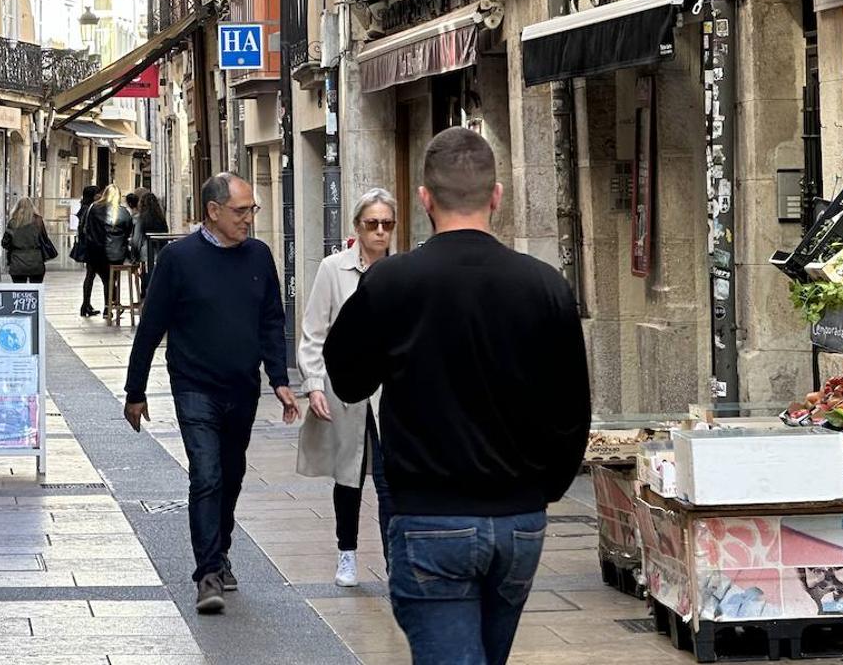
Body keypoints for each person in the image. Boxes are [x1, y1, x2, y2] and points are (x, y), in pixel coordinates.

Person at [323, 128, 591, 665]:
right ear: (495, 196)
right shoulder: (544, 286)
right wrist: (543, 490)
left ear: (424, 200)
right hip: (519, 521)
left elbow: (347, 378)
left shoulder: (392, 281)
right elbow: (572, 411)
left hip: (430, 516)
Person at [123, 173, 299, 615]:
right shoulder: (179, 259)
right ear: (213, 211)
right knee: (206, 474)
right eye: (241, 211)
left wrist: (279, 379)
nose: (249, 219)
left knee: (232, 474)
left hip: (242, 386)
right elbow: (151, 325)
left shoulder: (259, 256)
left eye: (252, 210)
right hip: (193, 385)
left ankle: (220, 549)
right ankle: (207, 574)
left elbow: (271, 321)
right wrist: (135, 390)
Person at [296, 188, 397, 587]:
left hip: (390, 394)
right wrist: (314, 384)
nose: (379, 232)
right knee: (348, 474)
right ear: (357, 226)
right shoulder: (333, 269)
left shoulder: (403, 270)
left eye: (387, 224)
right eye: (372, 224)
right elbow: (313, 332)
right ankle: (347, 553)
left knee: (390, 479)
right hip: (347, 387)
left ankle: (395, 563)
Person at [84, 185, 135, 319]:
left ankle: (85, 304)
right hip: (115, 253)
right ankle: (108, 307)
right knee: (111, 280)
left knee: (90, 276)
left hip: (95, 251)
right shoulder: (123, 212)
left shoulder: (93, 208)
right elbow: (129, 230)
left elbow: (87, 228)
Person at [131, 191, 169, 300]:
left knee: (146, 277)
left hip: (146, 254)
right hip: (160, 253)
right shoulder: (161, 219)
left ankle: (145, 295)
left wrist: (134, 256)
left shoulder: (140, 218)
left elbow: (136, 240)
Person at [1, 197, 48, 284]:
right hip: (36, 260)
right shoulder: (38, 221)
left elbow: (5, 242)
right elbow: (44, 240)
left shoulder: (13, 222)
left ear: (17, 207)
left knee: (20, 292)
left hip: (17, 261)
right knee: (35, 290)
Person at [75, 186, 102, 316]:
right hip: (91, 247)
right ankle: (86, 305)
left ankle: (86, 305)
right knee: (93, 276)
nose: (100, 196)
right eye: (98, 194)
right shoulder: (90, 209)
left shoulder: (85, 207)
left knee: (90, 276)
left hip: (88, 246)